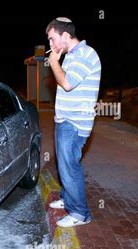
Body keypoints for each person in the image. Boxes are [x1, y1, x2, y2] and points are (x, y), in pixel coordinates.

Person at [45, 17, 101, 227]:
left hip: (75, 122)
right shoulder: (71, 56)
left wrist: (54, 63)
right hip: (65, 120)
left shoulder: (86, 54)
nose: (50, 45)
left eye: (52, 39)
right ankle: (69, 200)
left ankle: (80, 213)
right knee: (65, 165)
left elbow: (67, 83)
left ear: (65, 35)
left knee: (70, 166)